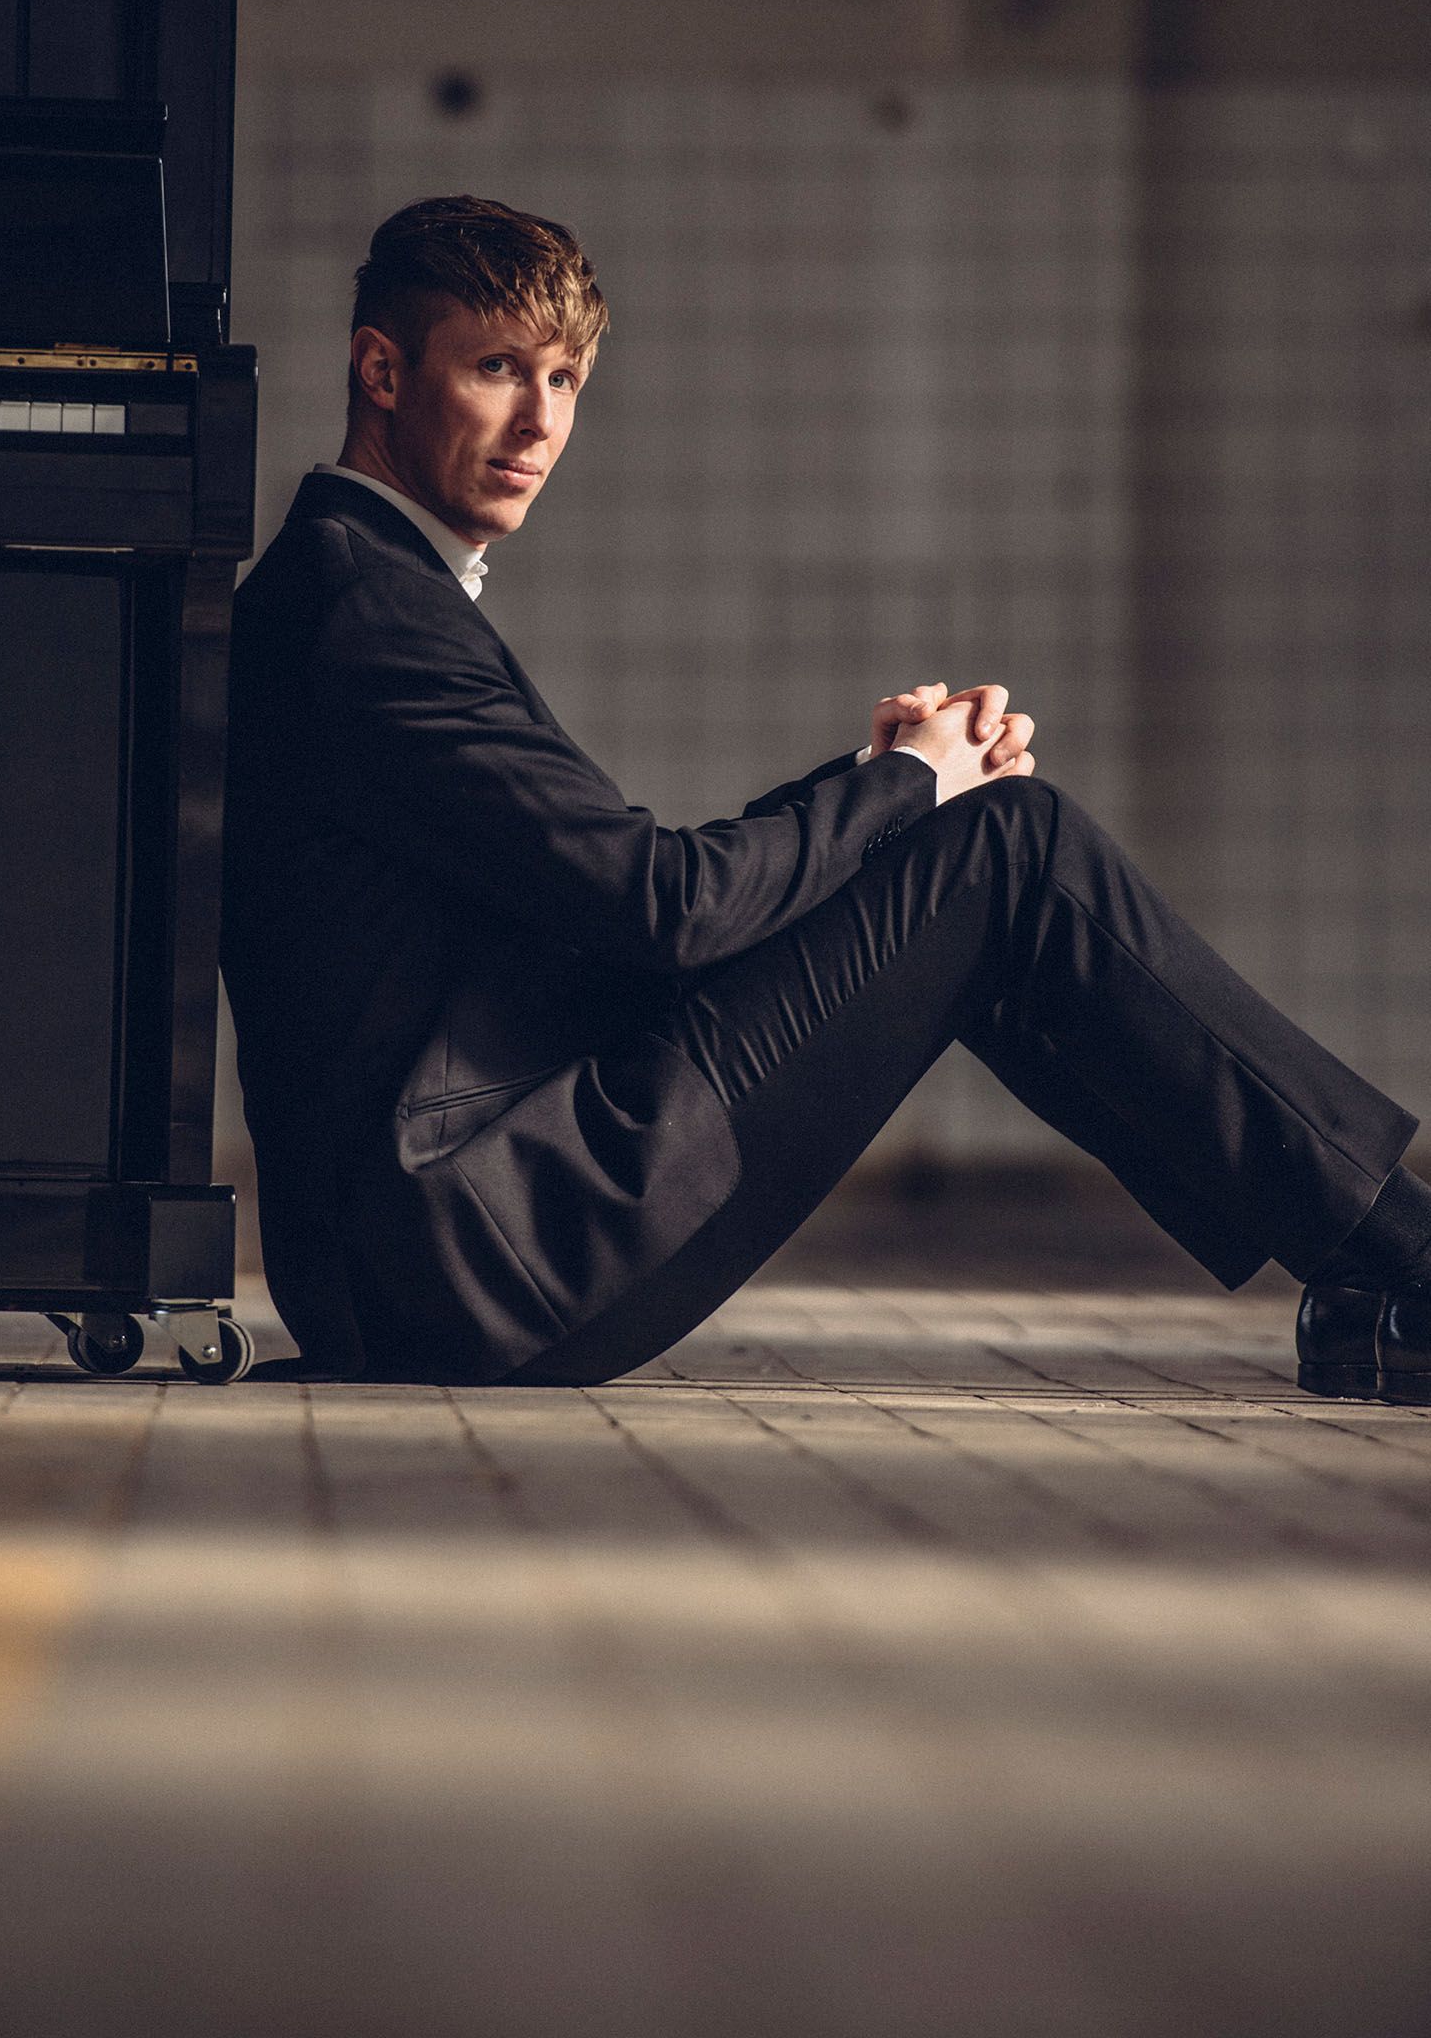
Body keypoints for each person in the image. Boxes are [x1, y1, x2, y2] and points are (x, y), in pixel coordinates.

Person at [221, 194, 1431, 1397]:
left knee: (980, 848)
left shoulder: (357, 588)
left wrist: (879, 788)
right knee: (1011, 842)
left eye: (567, 380)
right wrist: (906, 788)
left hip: (437, 1252)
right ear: (380, 371)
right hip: (486, 1248)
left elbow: (605, 909)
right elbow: (660, 909)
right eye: (498, 369)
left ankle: (1367, 1282)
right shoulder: (366, 610)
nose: (541, 421)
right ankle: (1397, 1254)